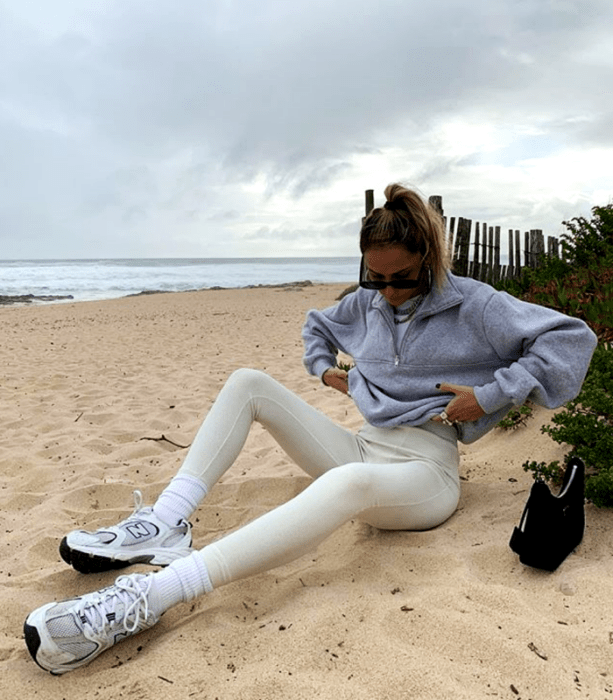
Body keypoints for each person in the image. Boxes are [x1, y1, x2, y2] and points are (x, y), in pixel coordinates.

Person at [24, 184, 597, 675]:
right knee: (249, 381)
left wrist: (490, 396)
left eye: (403, 278)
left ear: (429, 258)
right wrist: (327, 371)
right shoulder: (369, 302)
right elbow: (317, 324)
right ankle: (165, 523)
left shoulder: (476, 304)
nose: (389, 292)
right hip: (361, 445)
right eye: (376, 278)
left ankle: (156, 595)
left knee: (348, 483)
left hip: (425, 473)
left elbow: (572, 339)